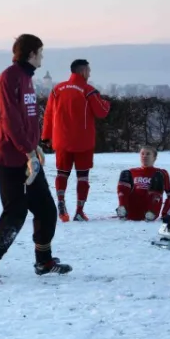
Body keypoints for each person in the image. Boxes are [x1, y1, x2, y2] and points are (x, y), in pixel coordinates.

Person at [0, 33, 72, 284]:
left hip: (28, 156)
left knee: (46, 209)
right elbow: (10, 120)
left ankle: (44, 262)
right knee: (15, 212)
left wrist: (36, 146)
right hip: (10, 158)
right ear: (32, 53)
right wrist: (27, 151)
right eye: (41, 52)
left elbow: (27, 118)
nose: (42, 57)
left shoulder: (27, 79)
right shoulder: (9, 78)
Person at [41, 59, 110, 222]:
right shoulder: (88, 90)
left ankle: (61, 203)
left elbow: (49, 114)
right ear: (83, 71)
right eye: (89, 70)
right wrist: (107, 103)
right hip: (83, 142)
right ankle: (79, 210)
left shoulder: (57, 90)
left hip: (61, 140)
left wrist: (46, 136)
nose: (90, 73)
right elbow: (101, 112)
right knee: (83, 177)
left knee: (62, 174)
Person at [115, 145, 170, 221]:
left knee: (158, 176)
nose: (144, 156)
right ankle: (122, 209)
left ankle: (151, 211)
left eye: (148, 154)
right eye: (142, 154)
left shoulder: (162, 173)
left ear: (154, 158)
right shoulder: (132, 171)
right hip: (131, 210)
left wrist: (165, 214)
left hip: (150, 211)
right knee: (125, 173)